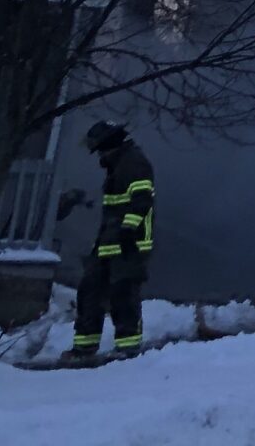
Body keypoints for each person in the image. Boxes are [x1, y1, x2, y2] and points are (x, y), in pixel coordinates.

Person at [61, 120, 155, 364]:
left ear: (110, 144)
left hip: (128, 244)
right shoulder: (119, 164)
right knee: (90, 291)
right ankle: (84, 347)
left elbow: (142, 201)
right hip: (108, 242)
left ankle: (128, 348)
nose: (99, 155)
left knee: (123, 294)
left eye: (100, 149)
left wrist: (127, 230)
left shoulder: (134, 164)